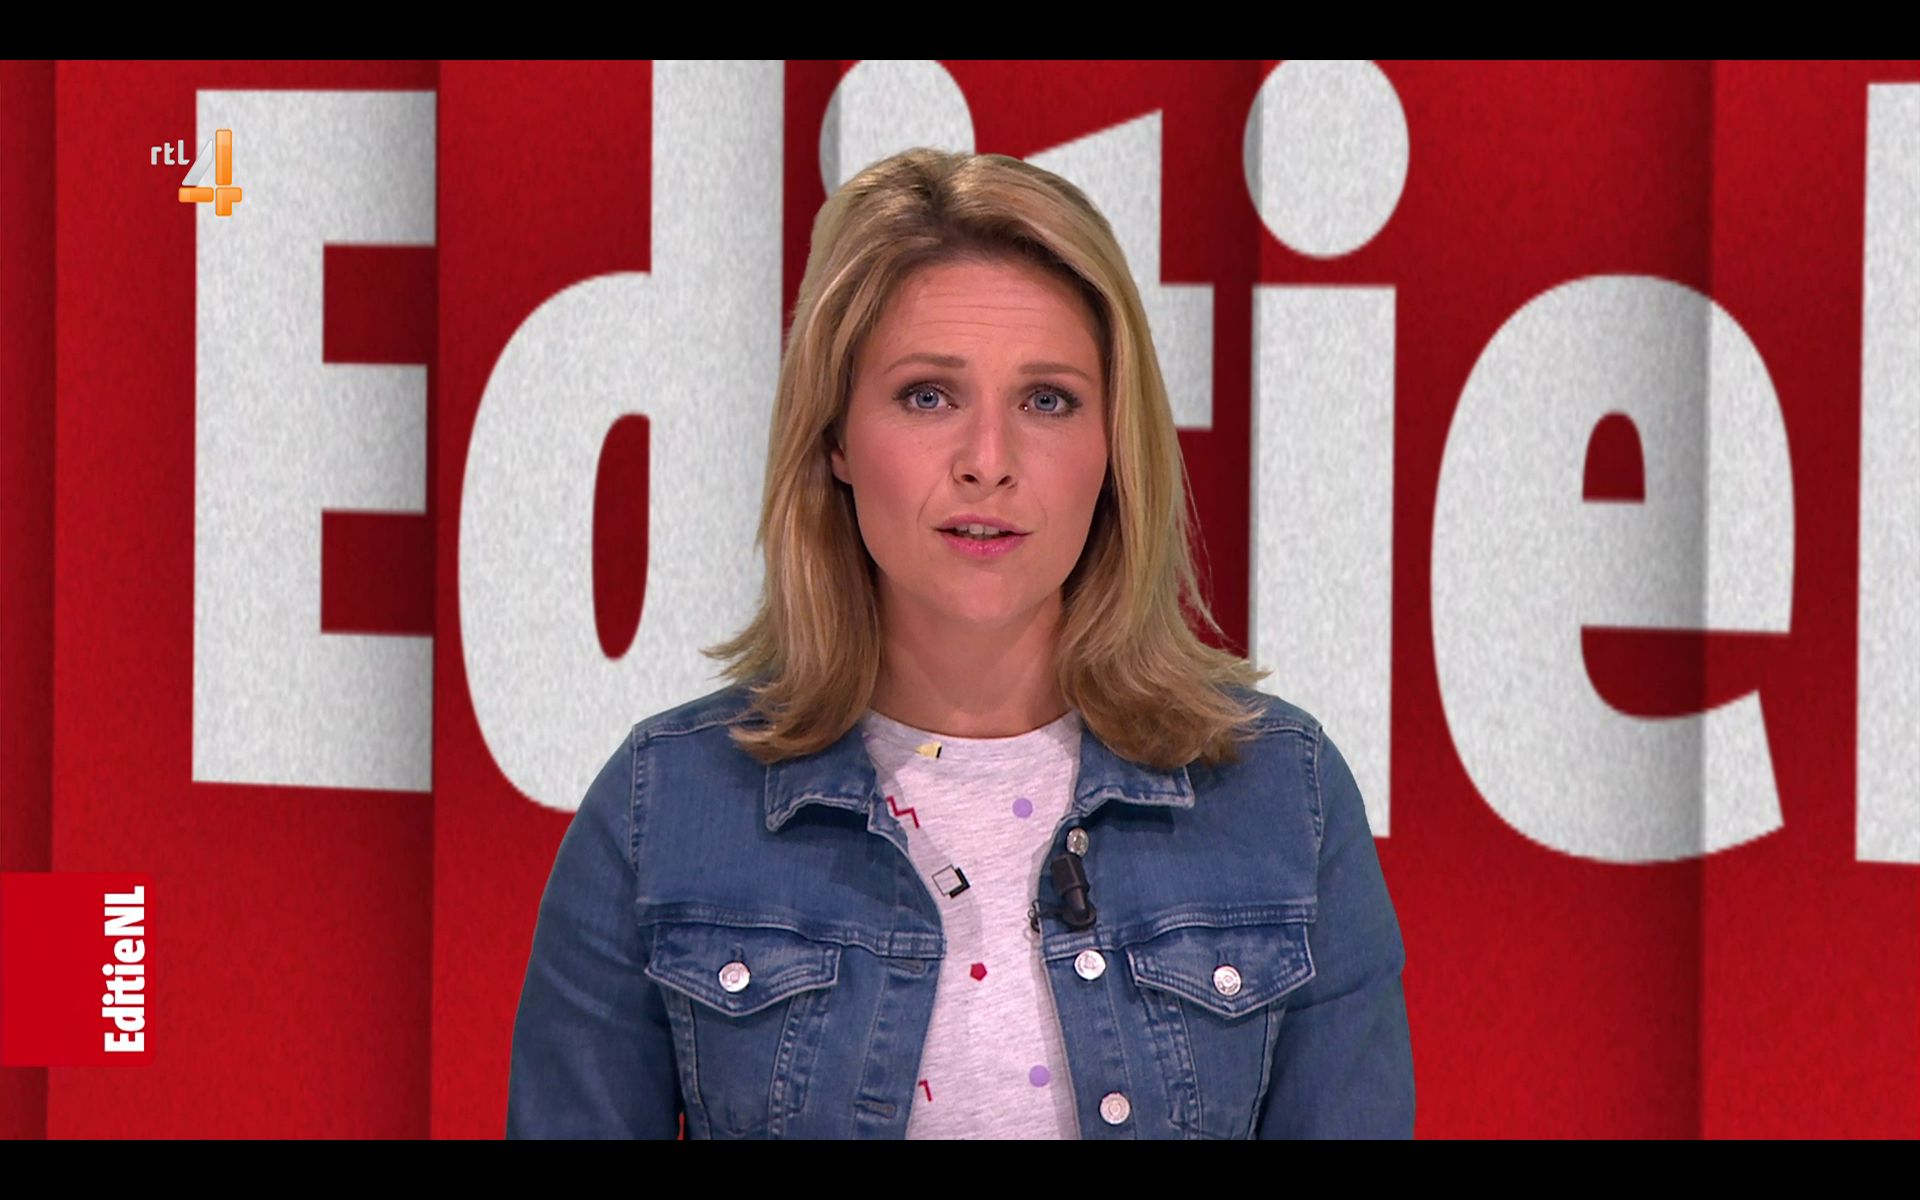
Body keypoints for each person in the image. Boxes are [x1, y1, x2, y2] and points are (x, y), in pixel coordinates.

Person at [506, 147, 1413, 1139]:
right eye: (928, 396)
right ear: (836, 437)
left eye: (1047, 400)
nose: (988, 461)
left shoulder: (1284, 798)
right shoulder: (664, 808)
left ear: (1114, 447)